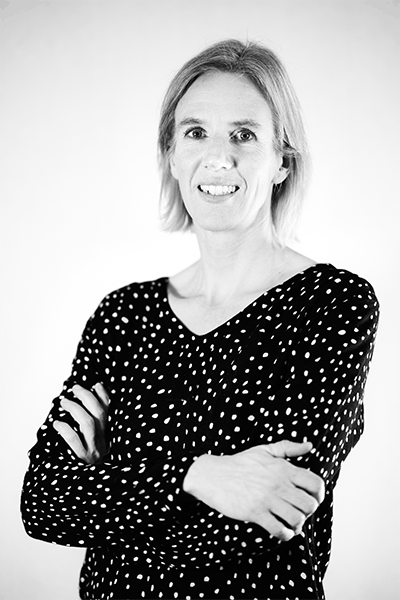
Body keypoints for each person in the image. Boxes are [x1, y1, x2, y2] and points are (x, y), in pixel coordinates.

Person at [21, 39, 379, 600]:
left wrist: (112, 478)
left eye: (244, 135)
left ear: (282, 160)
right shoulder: (122, 316)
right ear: (171, 155)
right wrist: (199, 477)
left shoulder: (332, 305)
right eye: (195, 133)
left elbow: (269, 516)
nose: (218, 157)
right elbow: (45, 502)